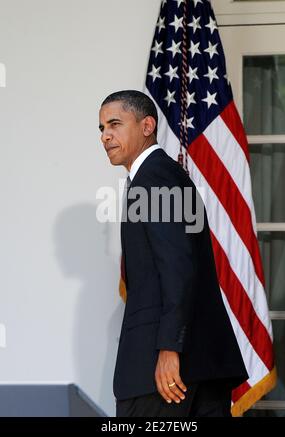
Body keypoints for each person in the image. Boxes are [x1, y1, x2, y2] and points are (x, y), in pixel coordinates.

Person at [99, 90, 248, 417]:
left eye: (114, 124)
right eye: (101, 128)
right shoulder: (164, 175)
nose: (105, 135)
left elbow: (178, 266)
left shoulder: (153, 179)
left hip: (166, 373)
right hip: (201, 364)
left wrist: (169, 348)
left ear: (147, 125)